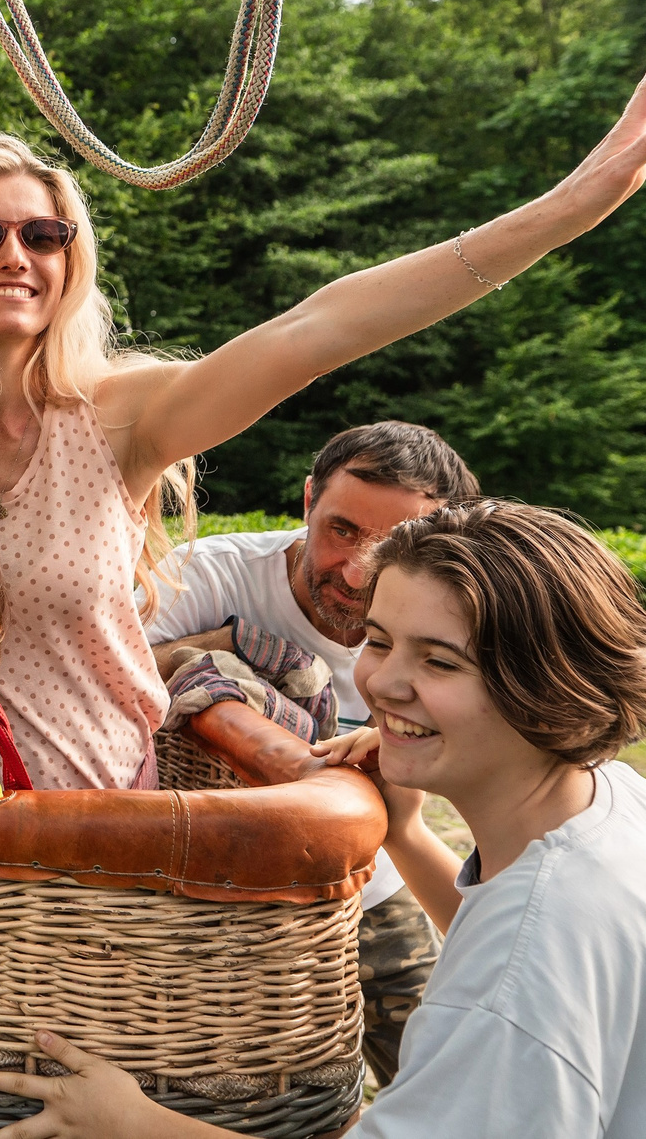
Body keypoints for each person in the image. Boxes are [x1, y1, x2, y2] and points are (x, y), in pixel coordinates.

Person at [0, 42, 646, 793]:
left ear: (70, 261)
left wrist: (557, 217)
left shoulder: (120, 418)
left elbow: (322, 326)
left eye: (45, 236)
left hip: (105, 832)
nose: (15, 254)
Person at [0, 501, 646, 1138]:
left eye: (440, 661)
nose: (383, 683)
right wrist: (410, 832)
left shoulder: (528, 975)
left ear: (547, 684)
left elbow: (524, 981)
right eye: (379, 641)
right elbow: (541, 967)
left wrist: (133, 1123)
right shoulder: (625, 808)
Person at [144, 420, 478, 1085]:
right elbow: (102, 676)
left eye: (390, 545)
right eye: (341, 530)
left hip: (371, 877)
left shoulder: (457, 620)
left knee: (447, 1065)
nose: (355, 570)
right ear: (306, 502)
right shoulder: (207, 578)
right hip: (214, 893)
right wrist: (214, 649)